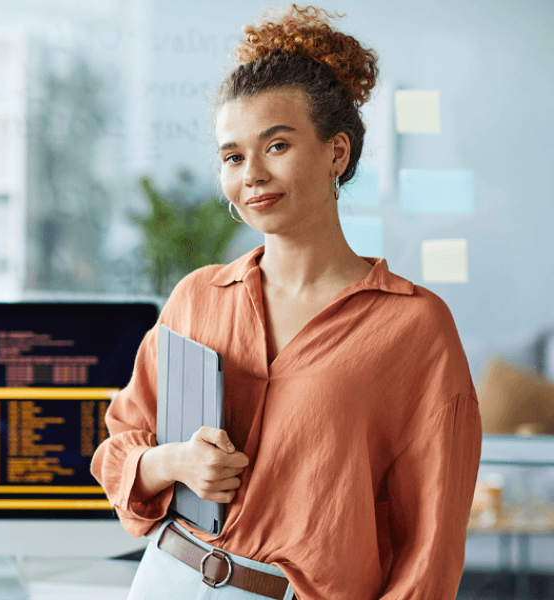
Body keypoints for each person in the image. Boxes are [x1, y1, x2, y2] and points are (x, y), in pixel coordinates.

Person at [91, 5, 482, 600]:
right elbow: (119, 449)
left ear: (336, 153)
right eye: (232, 156)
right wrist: (173, 462)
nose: (252, 174)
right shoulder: (197, 297)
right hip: (166, 577)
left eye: (276, 145)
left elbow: (430, 548)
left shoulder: (415, 327)